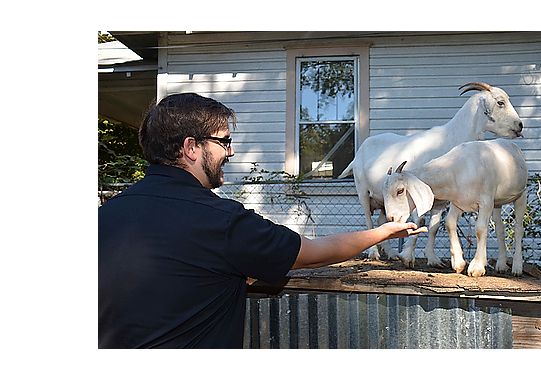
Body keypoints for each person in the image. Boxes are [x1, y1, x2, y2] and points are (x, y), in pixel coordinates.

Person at [98, 93, 424, 348]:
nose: (231, 152)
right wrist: (381, 232)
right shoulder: (221, 222)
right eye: (224, 141)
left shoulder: (106, 216)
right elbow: (315, 253)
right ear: (191, 148)